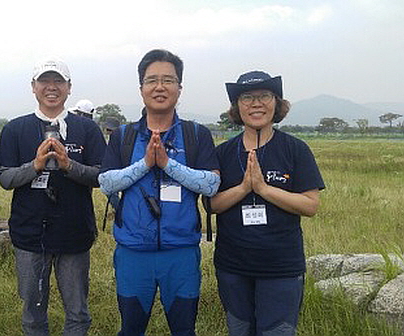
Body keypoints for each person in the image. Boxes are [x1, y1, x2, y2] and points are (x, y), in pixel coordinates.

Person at [99, 49, 221, 336]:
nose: (160, 87)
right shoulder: (124, 136)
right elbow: (106, 182)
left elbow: (211, 184)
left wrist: (168, 164)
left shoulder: (195, 134)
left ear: (180, 88)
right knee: (130, 329)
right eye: (151, 80)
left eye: (168, 80)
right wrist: (145, 165)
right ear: (141, 88)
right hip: (133, 253)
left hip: (181, 253)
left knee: (183, 330)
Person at [0, 58, 106, 336]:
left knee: (78, 311)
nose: (51, 87)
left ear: (69, 88)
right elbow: (5, 179)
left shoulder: (87, 130)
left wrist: (69, 166)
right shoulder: (16, 129)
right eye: (44, 81)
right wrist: (34, 167)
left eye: (58, 81)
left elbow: (102, 176)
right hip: (29, 233)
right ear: (33, 87)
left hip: (74, 232)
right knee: (33, 312)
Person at [211, 71, 325, 336]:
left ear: (277, 103)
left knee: (278, 331)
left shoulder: (295, 149)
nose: (256, 104)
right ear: (237, 107)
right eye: (247, 97)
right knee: (239, 329)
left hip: (281, 267)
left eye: (264, 96)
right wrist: (243, 188)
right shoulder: (223, 153)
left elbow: (310, 205)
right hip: (232, 266)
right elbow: (212, 205)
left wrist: (263, 188)